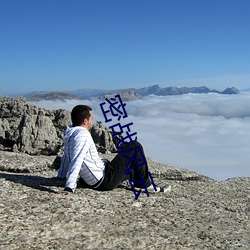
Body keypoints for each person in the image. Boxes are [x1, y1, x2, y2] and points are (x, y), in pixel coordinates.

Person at [57, 104, 162, 194]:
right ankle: (145, 185)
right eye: (91, 118)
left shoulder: (70, 133)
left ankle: (139, 181)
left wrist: (61, 176)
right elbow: (77, 158)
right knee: (134, 146)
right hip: (103, 180)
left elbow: (66, 156)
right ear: (85, 121)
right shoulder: (82, 135)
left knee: (132, 167)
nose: (92, 121)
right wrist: (69, 187)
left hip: (91, 178)